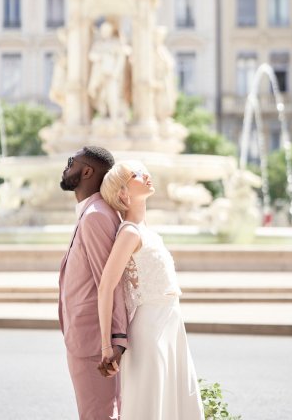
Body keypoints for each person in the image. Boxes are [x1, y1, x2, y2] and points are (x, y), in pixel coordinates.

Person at [98, 161, 205, 420]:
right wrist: (106, 346)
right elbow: (105, 287)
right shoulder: (129, 233)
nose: (145, 175)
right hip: (150, 330)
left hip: (171, 325)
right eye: (136, 174)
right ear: (123, 192)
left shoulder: (147, 232)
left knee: (176, 402)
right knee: (151, 404)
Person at [59, 146, 128, 420]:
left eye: (70, 162)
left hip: (93, 344)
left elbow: (110, 282)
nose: (65, 168)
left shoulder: (96, 215)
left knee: (96, 416)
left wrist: (113, 342)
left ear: (87, 171)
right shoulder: (92, 211)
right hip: (87, 339)